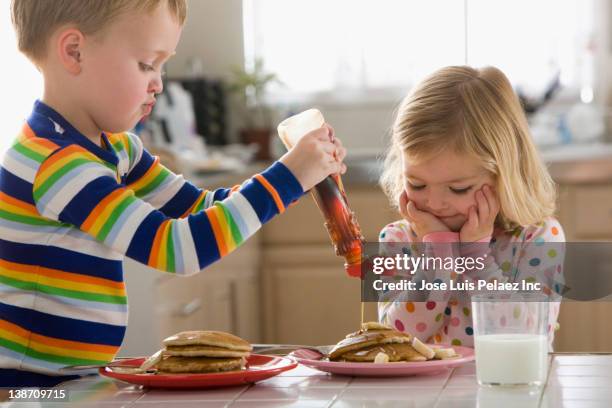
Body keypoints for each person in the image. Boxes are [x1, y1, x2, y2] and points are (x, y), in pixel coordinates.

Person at [1, 0, 346, 386]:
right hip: (28, 389)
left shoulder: (116, 148)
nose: (159, 84)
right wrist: (288, 177)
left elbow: (198, 208)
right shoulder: (56, 164)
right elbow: (179, 248)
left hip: (75, 379)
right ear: (74, 52)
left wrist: (298, 176)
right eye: (148, 64)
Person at [377, 65, 564, 348]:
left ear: (504, 174)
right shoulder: (399, 240)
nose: (435, 203)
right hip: (424, 394)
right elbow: (393, 340)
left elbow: (530, 337)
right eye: (416, 184)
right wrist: (439, 255)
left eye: (458, 188)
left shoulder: (537, 238)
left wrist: (476, 257)